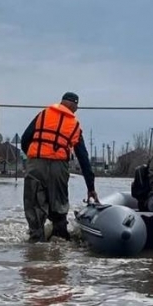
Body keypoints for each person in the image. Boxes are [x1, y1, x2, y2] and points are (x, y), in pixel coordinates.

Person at [20, 92, 99, 242]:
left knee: (34, 206)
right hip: (59, 167)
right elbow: (83, 158)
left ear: (62, 102)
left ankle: (36, 242)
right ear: (74, 106)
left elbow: (25, 139)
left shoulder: (43, 114)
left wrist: (33, 156)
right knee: (59, 206)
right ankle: (60, 241)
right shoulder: (74, 125)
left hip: (35, 164)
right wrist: (91, 187)